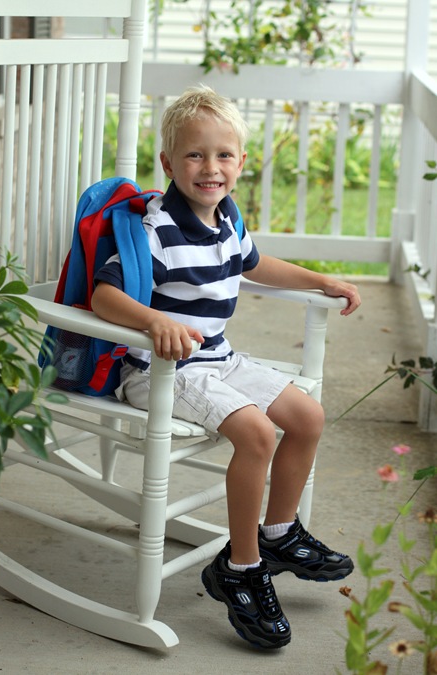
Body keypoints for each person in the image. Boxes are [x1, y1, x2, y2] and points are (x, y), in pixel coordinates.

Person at [91, 85, 361, 650]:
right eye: (194, 155)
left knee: (308, 417)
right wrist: (153, 320)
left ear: (241, 162)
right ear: (168, 164)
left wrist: (321, 280)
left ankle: (279, 533)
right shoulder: (154, 230)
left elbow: (255, 265)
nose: (210, 168)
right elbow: (104, 296)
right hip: (160, 370)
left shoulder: (228, 219)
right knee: (257, 434)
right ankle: (241, 567)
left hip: (217, 358)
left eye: (223, 155)